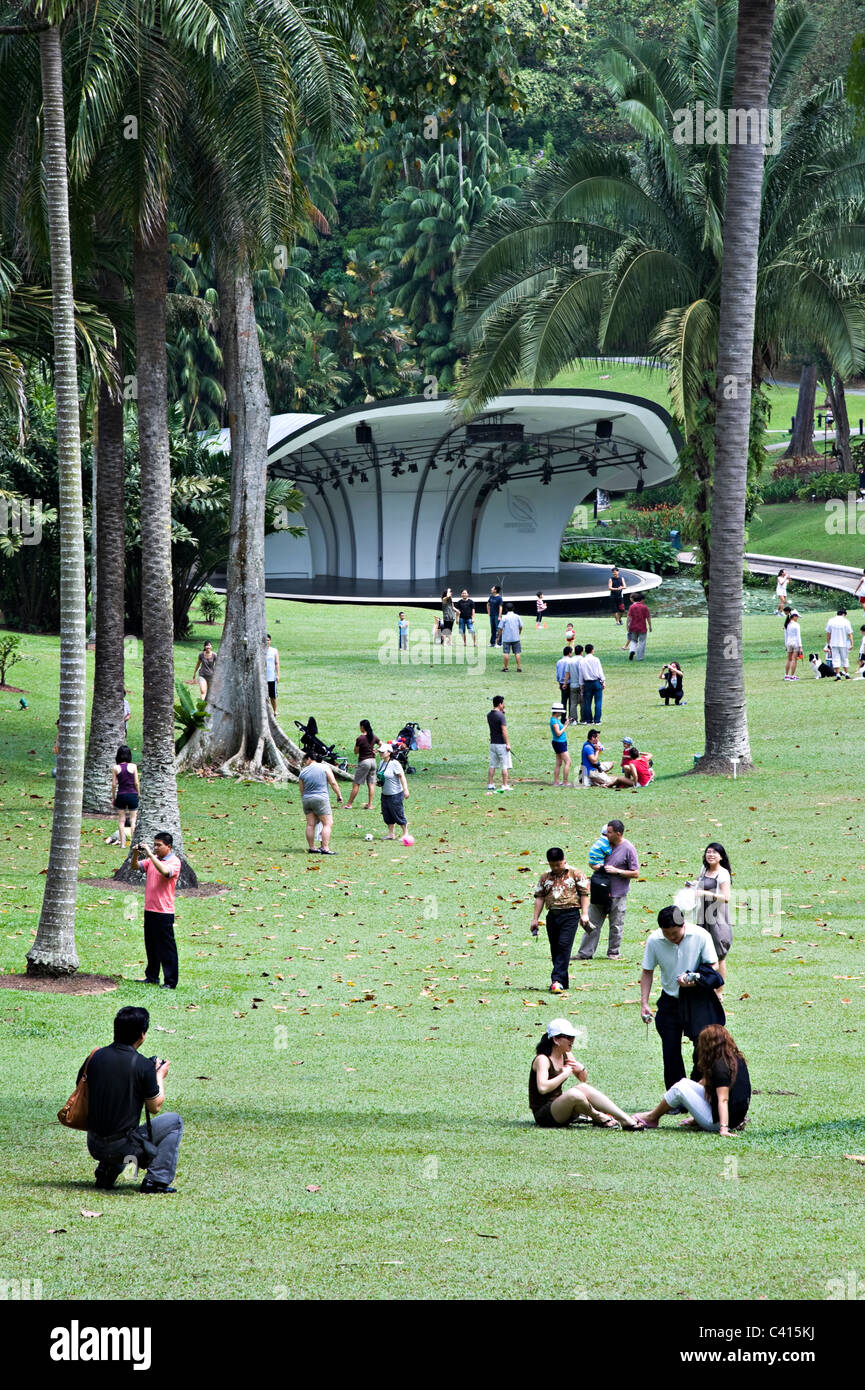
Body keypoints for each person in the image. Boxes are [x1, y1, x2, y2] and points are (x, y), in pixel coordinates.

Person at [77, 1005, 183, 1193]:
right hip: (122, 1147)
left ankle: (107, 1172)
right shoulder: (142, 1065)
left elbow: (82, 1088)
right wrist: (159, 1075)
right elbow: (155, 1106)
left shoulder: (95, 1056)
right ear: (142, 1034)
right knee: (174, 1122)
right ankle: (156, 1181)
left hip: (94, 1143)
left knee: (120, 1130)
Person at [640, 905, 723, 1090]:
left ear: (683, 924)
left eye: (675, 933)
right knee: (670, 1051)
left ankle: (697, 1089)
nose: (671, 937)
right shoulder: (654, 940)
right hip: (670, 999)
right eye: (667, 933)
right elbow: (647, 971)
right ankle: (675, 1098)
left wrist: (692, 981)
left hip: (697, 999)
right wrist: (644, 1003)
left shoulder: (701, 935)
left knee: (702, 1046)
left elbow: (713, 965)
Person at [529, 1018, 646, 1129]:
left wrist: (581, 1068)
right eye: (568, 1037)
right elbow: (543, 1088)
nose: (572, 1041)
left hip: (561, 1107)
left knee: (582, 1088)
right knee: (574, 1094)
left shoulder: (566, 1053)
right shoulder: (543, 1060)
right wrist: (564, 1074)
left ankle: (625, 1119)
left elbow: (583, 1080)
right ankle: (598, 1116)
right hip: (544, 1115)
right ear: (556, 1039)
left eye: (573, 1037)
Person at [637, 1025, 750, 1135]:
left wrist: (724, 1129)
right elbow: (703, 1084)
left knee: (679, 1089)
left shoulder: (720, 1067)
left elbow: (723, 1099)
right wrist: (697, 1114)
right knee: (684, 1083)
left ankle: (652, 1117)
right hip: (734, 1119)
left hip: (721, 1123)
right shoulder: (734, 1059)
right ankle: (655, 1116)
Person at [577, 819, 639, 960]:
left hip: (618, 894)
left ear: (618, 833)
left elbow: (635, 873)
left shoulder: (628, 848)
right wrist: (597, 867)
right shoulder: (603, 844)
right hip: (600, 892)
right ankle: (585, 953)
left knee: (616, 926)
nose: (606, 834)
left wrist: (617, 871)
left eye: (609, 832)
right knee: (591, 923)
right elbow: (592, 862)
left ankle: (613, 953)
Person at [530, 847, 590, 991]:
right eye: (553, 865)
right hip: (552, 915)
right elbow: (539, 897)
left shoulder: (576, 874)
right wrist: (535, 919)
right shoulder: (545, 878)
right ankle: (563, 982)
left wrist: (585, 914)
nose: (556, 868)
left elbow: (584, 894)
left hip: (570, 914)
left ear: (564, 861)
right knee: (555, 949)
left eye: (559, 864)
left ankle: (556, 980)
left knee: (564, 945)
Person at [131, 833, 182, 989]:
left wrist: (150, 855)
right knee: (151, 945)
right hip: (150, 909)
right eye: (155, 845)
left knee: (166, 948)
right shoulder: (153, 860)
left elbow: (165, 872)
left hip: (164, 912)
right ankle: (152, 977)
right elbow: (135, 866)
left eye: (159, 845)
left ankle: (170, 981)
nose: (156, 848)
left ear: (169, 846)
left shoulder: (174, 862)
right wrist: (135, 854)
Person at [689, 843, 732, 982]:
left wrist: (705, 893)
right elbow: (698, 882)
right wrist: (692, 885)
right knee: (704, 952)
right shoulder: (704, 869)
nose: (711, 855)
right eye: (708, 852)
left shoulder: (723, 873)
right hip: (703, 915)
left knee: (719, 955)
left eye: (714, 853)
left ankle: (719, 991)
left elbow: (726, 898)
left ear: (721, 857)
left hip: (717, 917)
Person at [298, 752, 343, 854]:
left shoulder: (303, 772)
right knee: (328, 823)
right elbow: (333, 783)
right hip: (320, 799)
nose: (305, 763)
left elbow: (301, 789)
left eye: (305, 760)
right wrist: (339, 795)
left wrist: (304, 799)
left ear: (309, 759)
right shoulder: (324, 767)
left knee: (310, 824)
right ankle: (325, 848)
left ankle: (312, 848)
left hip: (306, 799)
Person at [346, 718, 382, 811]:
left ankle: (349, 804)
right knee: (371, 784)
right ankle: (370, 805)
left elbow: (356, 751)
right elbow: (382, 744)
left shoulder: (360, 738)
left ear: (362, 727)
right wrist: (375, 750)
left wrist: (358, 748)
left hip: (364, 761)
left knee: (356, 783)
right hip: (373, 762)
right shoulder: (373, 736)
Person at [111, 744, 140, 849]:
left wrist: (113, 797)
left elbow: (114, 785)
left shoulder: (116, 768)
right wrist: (139, 794)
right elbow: (136, 782)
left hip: (121, 795)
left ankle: (122, 844)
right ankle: (132, 843)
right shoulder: (133, 766)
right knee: (133, 820)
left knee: (121, 820)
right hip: (132, 795)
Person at [380, 744, 410, 840]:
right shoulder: (381, 763)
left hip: (395, 794)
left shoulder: (395, 763)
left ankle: (405, 833)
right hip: (385, 793)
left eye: (383, 752)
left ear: (389, 753)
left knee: (398, 813)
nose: (380, 753)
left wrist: (405, 790)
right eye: (380, 751)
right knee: (387, 814)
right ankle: (391, 834)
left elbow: (402, 777)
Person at [487, 694, 513, 791]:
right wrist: (508, 744)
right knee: (504, 765)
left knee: (492, 765)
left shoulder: (489, 715)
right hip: (501, 744)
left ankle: (490, 784)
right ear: (500, 704)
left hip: (493, 743)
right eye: (503, 703)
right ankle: (504, 785)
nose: (504, 705)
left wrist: (503, 713)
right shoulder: (501, 716)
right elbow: (503, 731)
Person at [579, 643, 605, 723]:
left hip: (587, 683)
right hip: (596, 682)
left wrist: (581, 685)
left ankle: (589, 720)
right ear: (592, 650)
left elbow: (581, 674)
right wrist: (603, 681)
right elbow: (600, 671)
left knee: (587, 703)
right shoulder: (596, 659)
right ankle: (597, 720)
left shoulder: (582, 661)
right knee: (598, 702)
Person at [826, 607, 853, 680]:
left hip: (833, 643)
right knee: (845, 658)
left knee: (835, 659)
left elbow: (828, 634)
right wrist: (851, 644)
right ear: (844, 614)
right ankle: (847, 674)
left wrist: (828, 643)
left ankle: (838, 675)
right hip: (843, 643)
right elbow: (850, 634)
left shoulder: (831, 621)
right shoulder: (846, 621)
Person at [625, 592, 652, 661]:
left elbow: (628, 617)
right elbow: (648, 617)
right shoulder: (644, 607)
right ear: (641, 600)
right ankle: (639, 657)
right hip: (642, 627)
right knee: (642, 642)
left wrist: (627, 625)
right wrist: (650, 626)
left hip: (633, 627)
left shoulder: (632, 607)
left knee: (633, 640)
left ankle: (632, 650)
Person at [549, 704, 570, 787]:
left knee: (559, 763)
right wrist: (565, 726)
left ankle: (556, 781)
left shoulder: (555, 719)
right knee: (568, 762)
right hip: (560, 743)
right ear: (557, 712)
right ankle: (565, 782)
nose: (561, 713)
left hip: (558, 742)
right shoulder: (554, 721)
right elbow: (558, 733)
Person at [497, 604, 523, 671]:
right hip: (516, 637)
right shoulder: (517, 616)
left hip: (506, 638)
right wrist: (519, 632)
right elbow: (521, 626)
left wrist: (498, 636)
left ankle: (505, 668)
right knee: (517, 653)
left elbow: (500, 628)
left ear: (506, 609)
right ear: (513, 608)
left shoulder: (504, 617)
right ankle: (519, 667)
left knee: (506, 653)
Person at [783, 609, 802, 680]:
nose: (797, 619)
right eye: (797, 617)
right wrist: (800, 646)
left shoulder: (787, 625)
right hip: (795, 643)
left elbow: (786, 636)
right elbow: (798, 636)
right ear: (794, 616)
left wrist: (786, 645)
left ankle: (786, 675)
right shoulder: (796, 625)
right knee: (794, 660)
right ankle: (792, 675)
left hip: (788, 643)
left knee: (789, 660)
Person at [567, 644, 584, 723]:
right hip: (582, 684)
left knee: (573, 703)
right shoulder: (583, 660)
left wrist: (564, 683)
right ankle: (583, 719)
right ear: (581, 652)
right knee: (583, 703)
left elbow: (567, 673)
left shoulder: (570, 660)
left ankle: (573, 720)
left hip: (573, 684)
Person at [265, 633, 281, 713]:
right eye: (265, 640)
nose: (266, 642)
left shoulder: (274, 651)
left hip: (271, 677)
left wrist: (278, 675)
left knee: (273, 696)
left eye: (268, 640)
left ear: (270, 641)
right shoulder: (259, 651)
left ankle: (275, 711)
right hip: (262, 677)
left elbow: (277, 663)